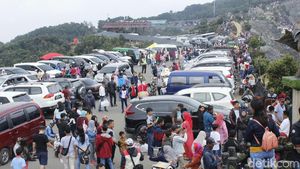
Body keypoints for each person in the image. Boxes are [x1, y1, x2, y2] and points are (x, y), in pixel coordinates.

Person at [244, 97, 280, 169]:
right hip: (269, 150)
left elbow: (247, 138)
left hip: (256, 151)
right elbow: (277, 133)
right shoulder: (270, 119)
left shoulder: (252, 122)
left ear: (254, 109)